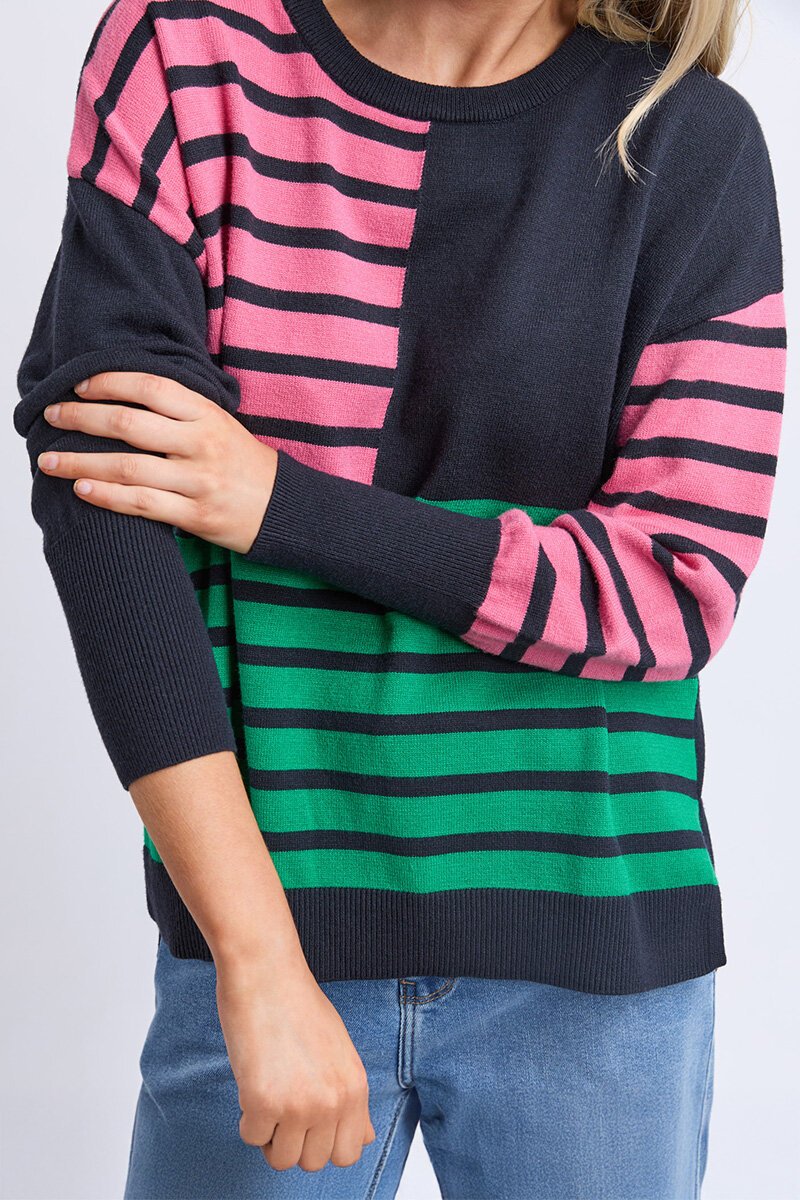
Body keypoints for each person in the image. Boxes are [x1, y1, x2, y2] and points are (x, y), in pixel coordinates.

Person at [14, 0, 786, 1196]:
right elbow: (102, 491)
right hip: (266, 927)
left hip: (592, 942)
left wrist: (278, 502)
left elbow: (670, 593)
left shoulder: (684, 141)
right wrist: (256, 955)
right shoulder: (188, 51)